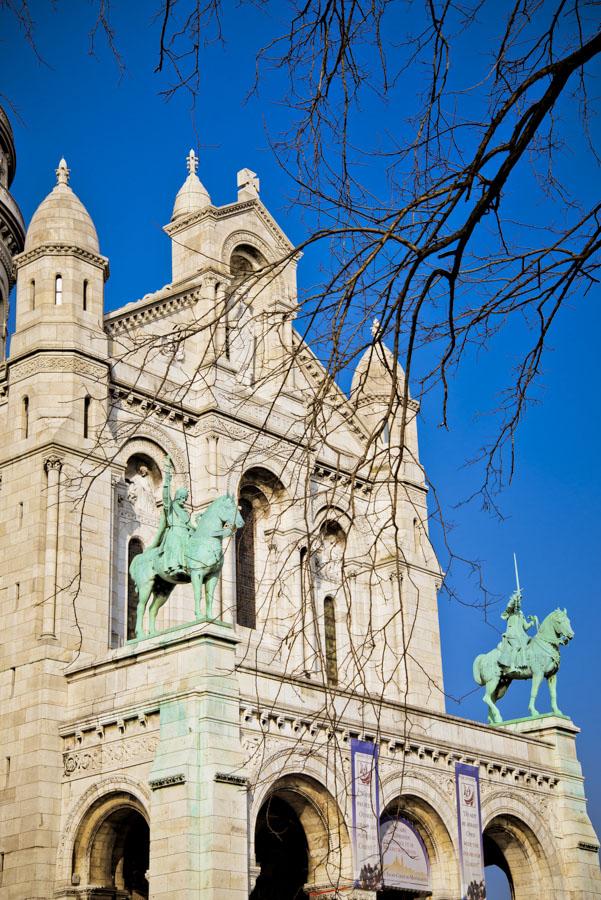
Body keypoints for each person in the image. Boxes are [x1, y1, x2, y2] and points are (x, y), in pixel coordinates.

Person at [160, 456, 193, 576]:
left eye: (185, 498)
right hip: (174, 532)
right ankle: (174, 566)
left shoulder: (185, 512)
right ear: (178, 496)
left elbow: (189, 524)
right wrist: (167, 480)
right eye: (182, 498)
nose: (184, 501)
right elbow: (165, 497)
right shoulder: (171, 507)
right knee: (177, 540)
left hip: (185, 533)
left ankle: (189, 566)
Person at [497, 590, 538, 670]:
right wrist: (515, 598)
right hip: (511, 634)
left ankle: (524, 664)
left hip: (521, 636)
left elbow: (525, 627)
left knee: (528, 647)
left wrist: (532, 622)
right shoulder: (510, 612)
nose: (518, 606)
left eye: (519, 603)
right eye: (517, 604)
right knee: (516, 646)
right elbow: (510, 606)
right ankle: (512, 666)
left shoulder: (521, 615)